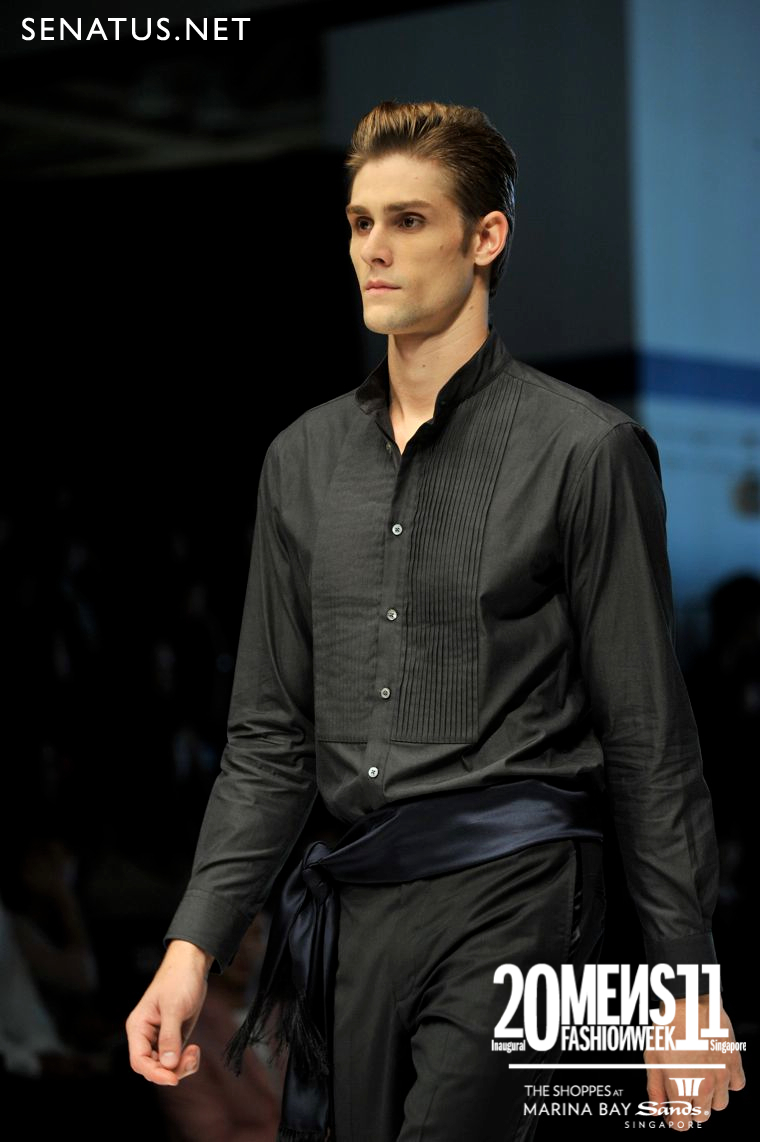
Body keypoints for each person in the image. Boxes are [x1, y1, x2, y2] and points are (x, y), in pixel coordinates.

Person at [126, 100, 745, 1140]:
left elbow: (647, 733)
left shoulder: (584, 451)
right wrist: (192, 947)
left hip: (521, 890)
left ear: (486, 237)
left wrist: (685, 984)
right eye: (360, 221)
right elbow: (270, 740)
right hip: (353, 904)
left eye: (408, 220)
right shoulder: (301, 460)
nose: (373, 248)